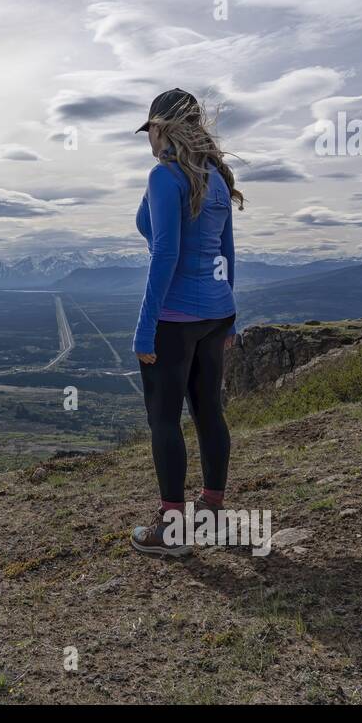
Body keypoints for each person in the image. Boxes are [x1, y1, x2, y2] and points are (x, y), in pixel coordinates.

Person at [129, 88, 244, 557]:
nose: (147, 140)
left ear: (160, 127)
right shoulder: (214, 176)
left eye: (149, 130)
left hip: (175, 318)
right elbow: (227, 252)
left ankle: (172, 528)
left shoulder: (166, 177)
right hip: (217, 313)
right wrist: (231, 316)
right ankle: (212, 511)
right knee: (208, 412)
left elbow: (165, 253)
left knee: (163, 419)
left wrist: (144, 326)